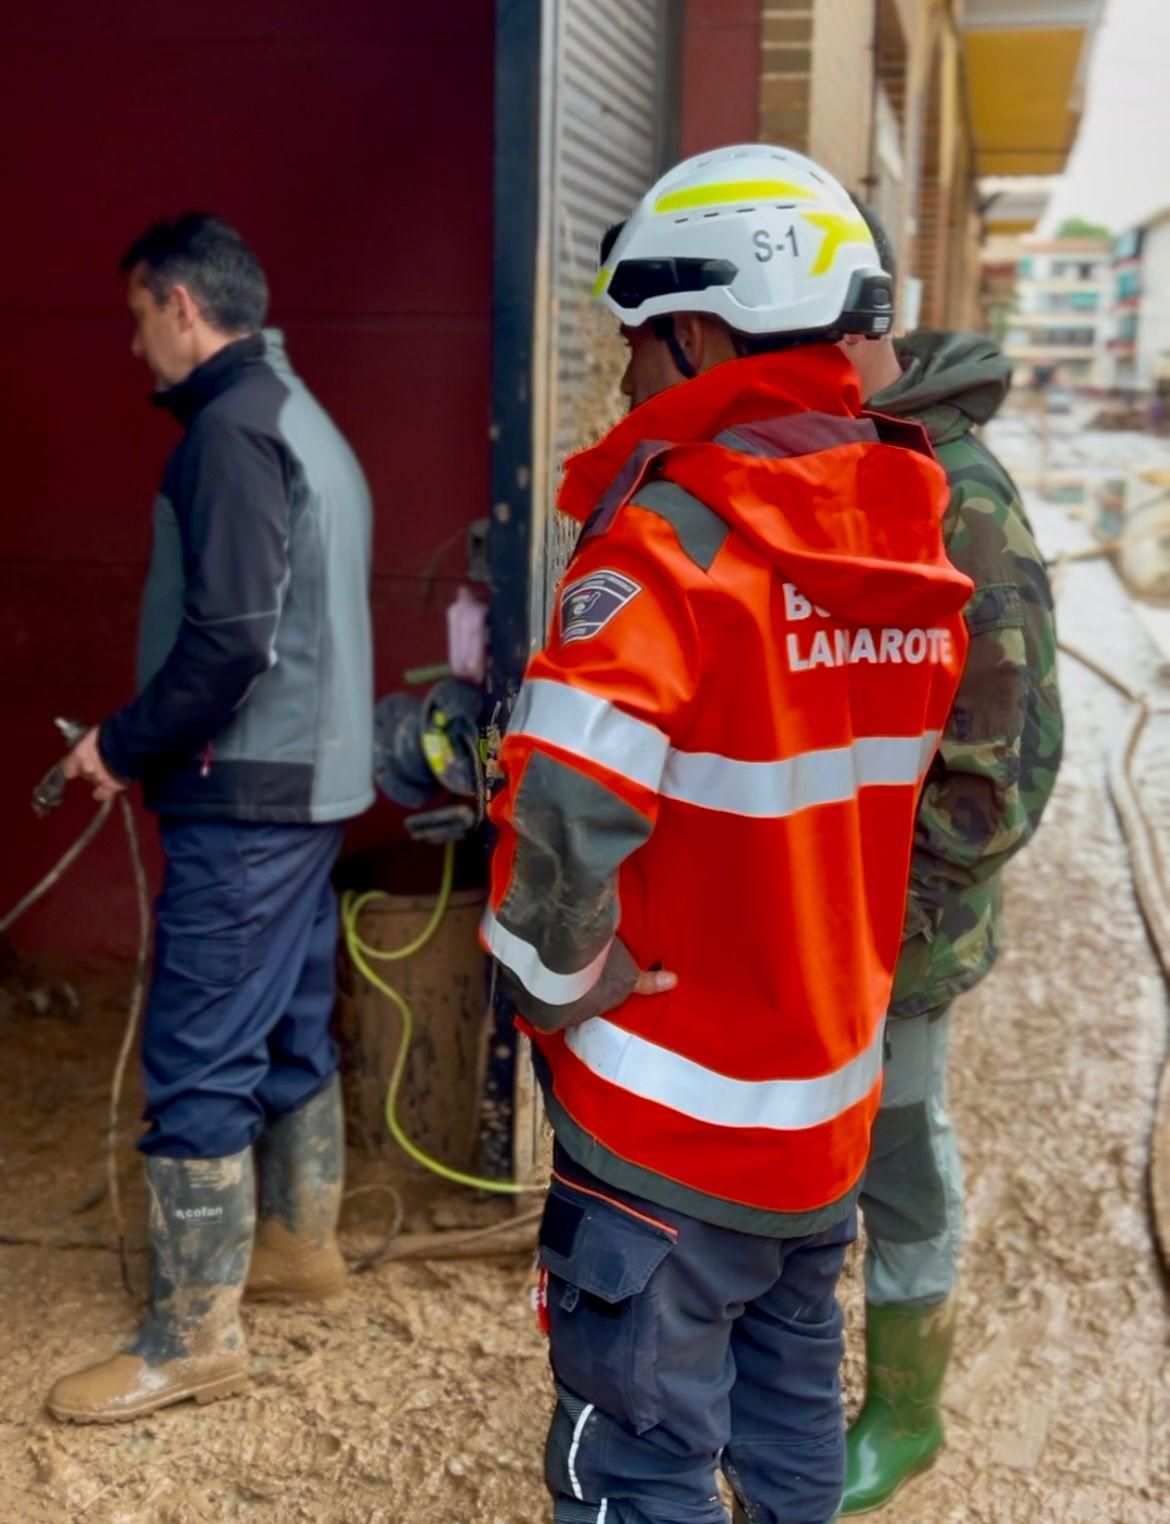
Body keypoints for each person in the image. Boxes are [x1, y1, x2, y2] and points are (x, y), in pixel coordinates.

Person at [481, 144, 973, 1524]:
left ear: (703, 328)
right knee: (786, 1436)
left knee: (636, 1466)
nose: (630, 378)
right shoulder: (910, 530)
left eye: (639, 343)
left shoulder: (667, 549)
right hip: (818, 1108)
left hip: (666, 1125)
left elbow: (565, 828)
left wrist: (550, 990)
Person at [48, 214, 375, 1424]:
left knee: (198, 1054)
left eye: (139, 317)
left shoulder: (229, 436)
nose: (136, 346)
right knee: (288, 1020)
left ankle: (191, 1338)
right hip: (311, 784)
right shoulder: (297, 415)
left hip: (248, 792)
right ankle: (299, 1246)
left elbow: (233, 640)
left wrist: (120, 743)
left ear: (182, 304)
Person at [833, 202, 1063, 1513]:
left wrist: (889, 928)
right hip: (843, 909)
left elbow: (997, 772)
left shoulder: (956, 493)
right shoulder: (870, 463)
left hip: (905, 922)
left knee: (902, 1155)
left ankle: (906, 1412)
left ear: (863, 333)